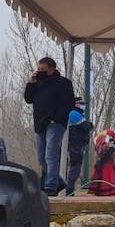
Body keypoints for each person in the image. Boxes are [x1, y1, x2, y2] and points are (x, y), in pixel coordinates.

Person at [24, 56, 75, 194]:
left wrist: (58, 117)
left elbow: (69, 103)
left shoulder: (63, 83)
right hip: (40, 123)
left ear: (52, 69)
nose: (40, 71)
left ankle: (50, 185)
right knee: (41, 157)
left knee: (50, 154)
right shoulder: (37, 83)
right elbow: (28, 99)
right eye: (39, 69)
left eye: (43, 69)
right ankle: (57, 181)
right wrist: (31, 83)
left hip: (55, 123)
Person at [65, 98, 94, 195]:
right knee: (75, 167)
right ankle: (69, 190)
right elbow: (87, 126)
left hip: (78, 144)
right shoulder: (73, 113)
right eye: (81, 103)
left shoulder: (79, 114)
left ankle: (70, 188)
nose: (83, 105)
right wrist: (89, 124)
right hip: (74, 145)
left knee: (76, 168)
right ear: (75, 104)